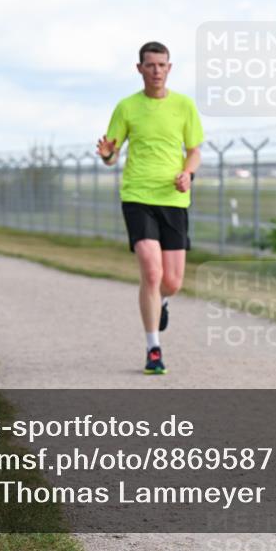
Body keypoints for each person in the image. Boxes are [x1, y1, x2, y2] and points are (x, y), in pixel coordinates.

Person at [97, 41, 203, 375]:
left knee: (171, 282)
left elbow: (194, 150)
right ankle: (153, 348)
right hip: (137, 196)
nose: (156, 70)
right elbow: (112, 155)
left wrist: (188, 173)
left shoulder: (184, 106)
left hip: (173, 199)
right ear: (139, 68)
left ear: (169, 68)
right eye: (150, 65)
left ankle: (164, 302)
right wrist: (106, 155)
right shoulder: (127, 107)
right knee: (151, 271)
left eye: (162, 65)